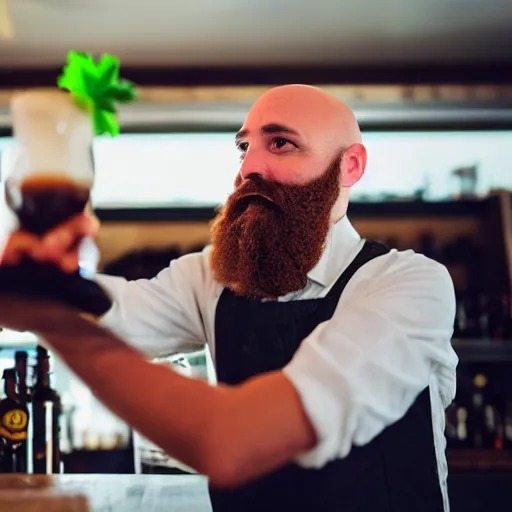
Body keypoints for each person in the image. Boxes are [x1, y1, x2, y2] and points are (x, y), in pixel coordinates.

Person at [0, 85, 458, 511]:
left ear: (350, 166)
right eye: (244, 147)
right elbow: (119, 312)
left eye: (280, 143)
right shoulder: (214, 277)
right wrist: (47, 279)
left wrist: (48, 312)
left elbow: (233, 441)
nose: (248, 169)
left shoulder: (409, 286)